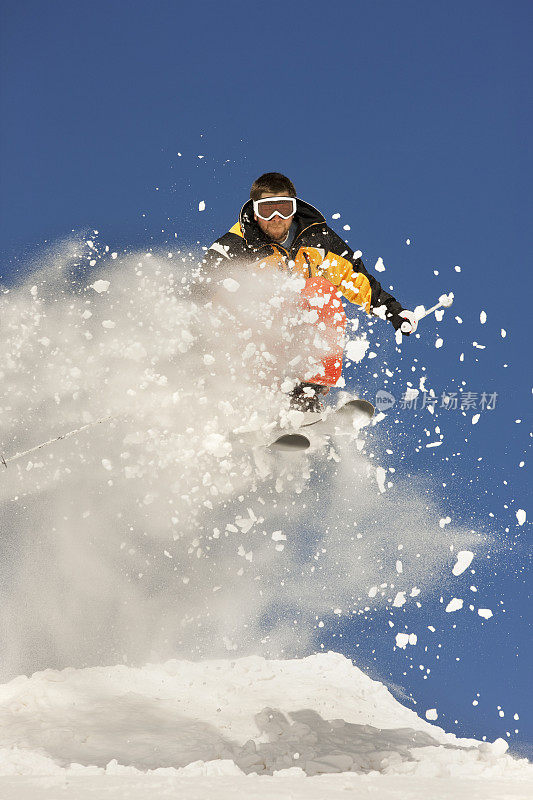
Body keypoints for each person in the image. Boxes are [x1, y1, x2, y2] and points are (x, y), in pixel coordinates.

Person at [203, 172, 417, 411]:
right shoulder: (232, 248)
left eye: (283, 208)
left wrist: (393, 311)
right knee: (255, 307)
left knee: (321, 291)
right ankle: (252, 401)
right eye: (266, 210)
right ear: (254, 212)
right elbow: (200, 295)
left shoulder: (317, 239)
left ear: (293, 210)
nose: (276, 218)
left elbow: (354, 278)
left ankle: (307, 394)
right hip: (252, 339)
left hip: (296, 336)